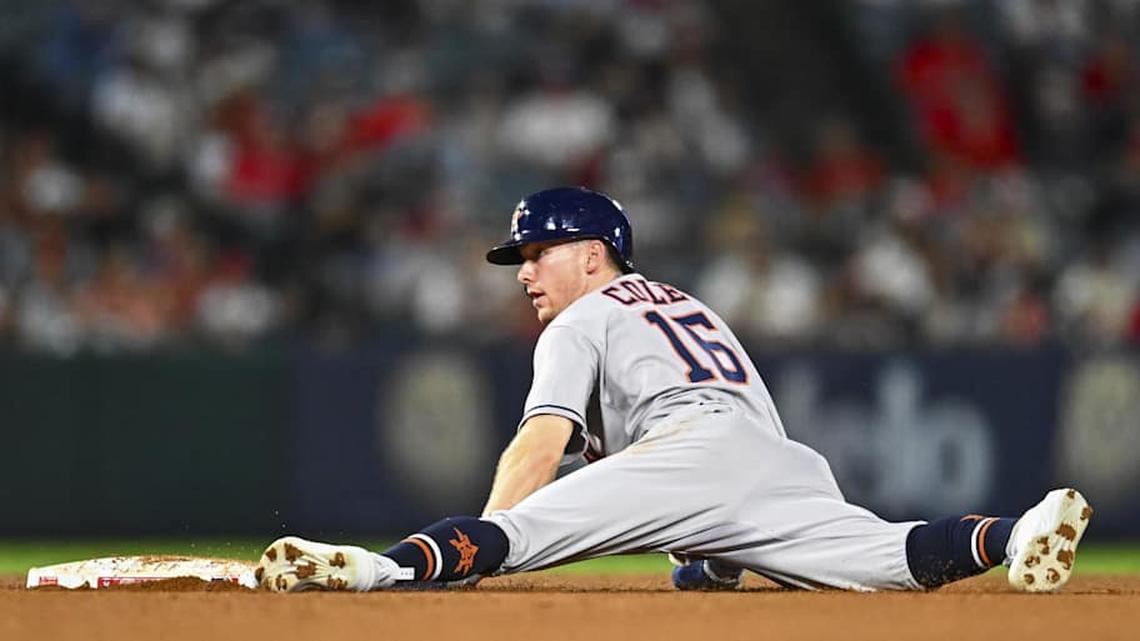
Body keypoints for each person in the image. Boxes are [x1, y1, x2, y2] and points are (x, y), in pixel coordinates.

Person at [256, 186, 1092, 593]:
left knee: (518, 533)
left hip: (692, 454)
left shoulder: (579, 322)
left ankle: (380, 572)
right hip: (779, 461)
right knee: (896, 559)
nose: (525, 274)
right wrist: (712, 558)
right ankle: (1019, 531)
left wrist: (490, 538)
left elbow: (537, 447)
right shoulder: (690, 304)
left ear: (591, 252)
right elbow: (731, 450)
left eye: (536, 254)